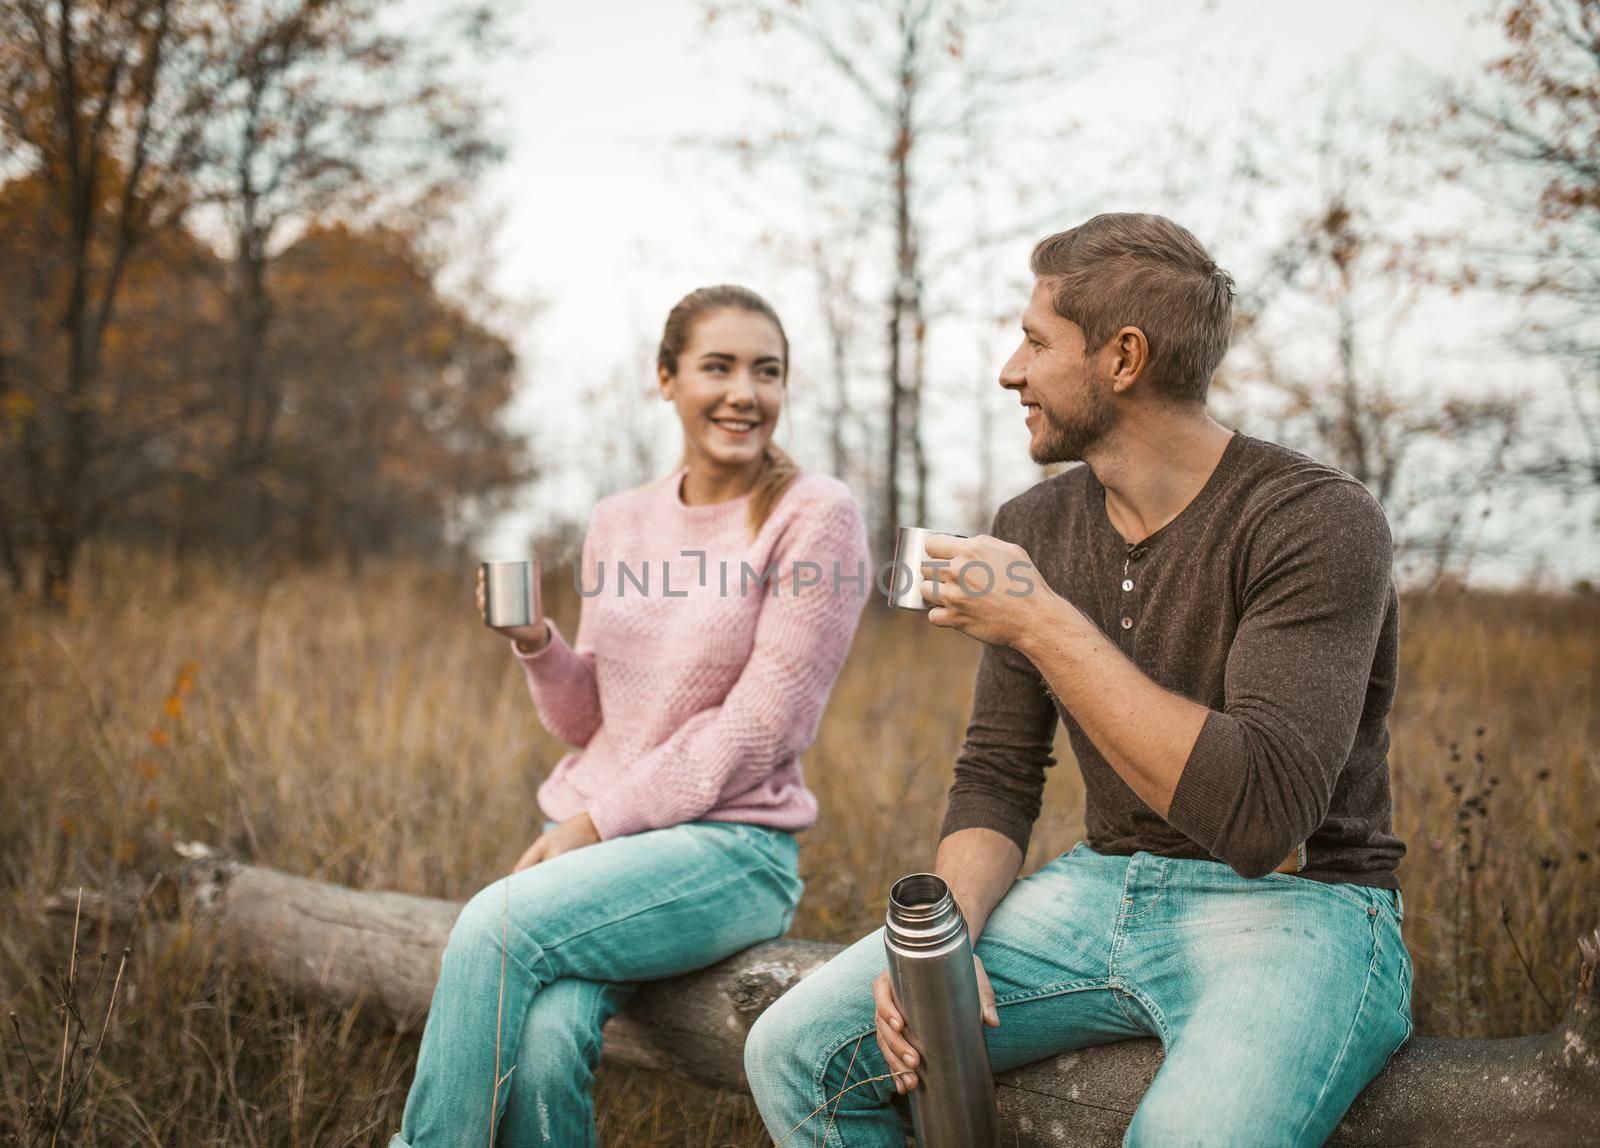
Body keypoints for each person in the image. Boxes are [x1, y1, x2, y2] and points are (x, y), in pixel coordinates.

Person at [744, 214, 1412, 1147]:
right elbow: (997, 774)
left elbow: (1265, 816)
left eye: (1035, 340)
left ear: (1123, 357)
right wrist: (949, 939)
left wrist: (1042, 619)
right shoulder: (1034, 521)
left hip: (1303, 910)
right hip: (1100, 889)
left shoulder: (1315, 520)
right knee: (796, 1053)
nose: (1010, 370)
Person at [391, 285, 871, 1148]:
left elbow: (764, 725)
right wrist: (537, 642)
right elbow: (592, 722)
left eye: (766, 371)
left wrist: (595, 824)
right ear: (666, 379)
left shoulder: (815, 516)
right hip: (605, 846)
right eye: (717, 367)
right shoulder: (618, 521)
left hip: (728, 852)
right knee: (540, 1048)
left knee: (494, 923)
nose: (744, 392)